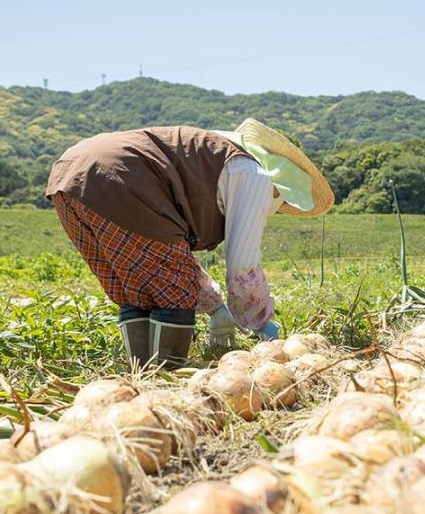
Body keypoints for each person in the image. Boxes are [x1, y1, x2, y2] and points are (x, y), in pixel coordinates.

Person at [46, 119, 334, 369]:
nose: (274, 210)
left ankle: (143, 373)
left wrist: (216, 308)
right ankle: (168, 374)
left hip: (68, 176)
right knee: (174, 287)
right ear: (279, 189)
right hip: (118, 177)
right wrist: (258, 322)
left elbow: (170, 255)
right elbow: (242, 264)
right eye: (280, 205)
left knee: (135, 286)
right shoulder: (254, 176)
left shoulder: (208, 157)